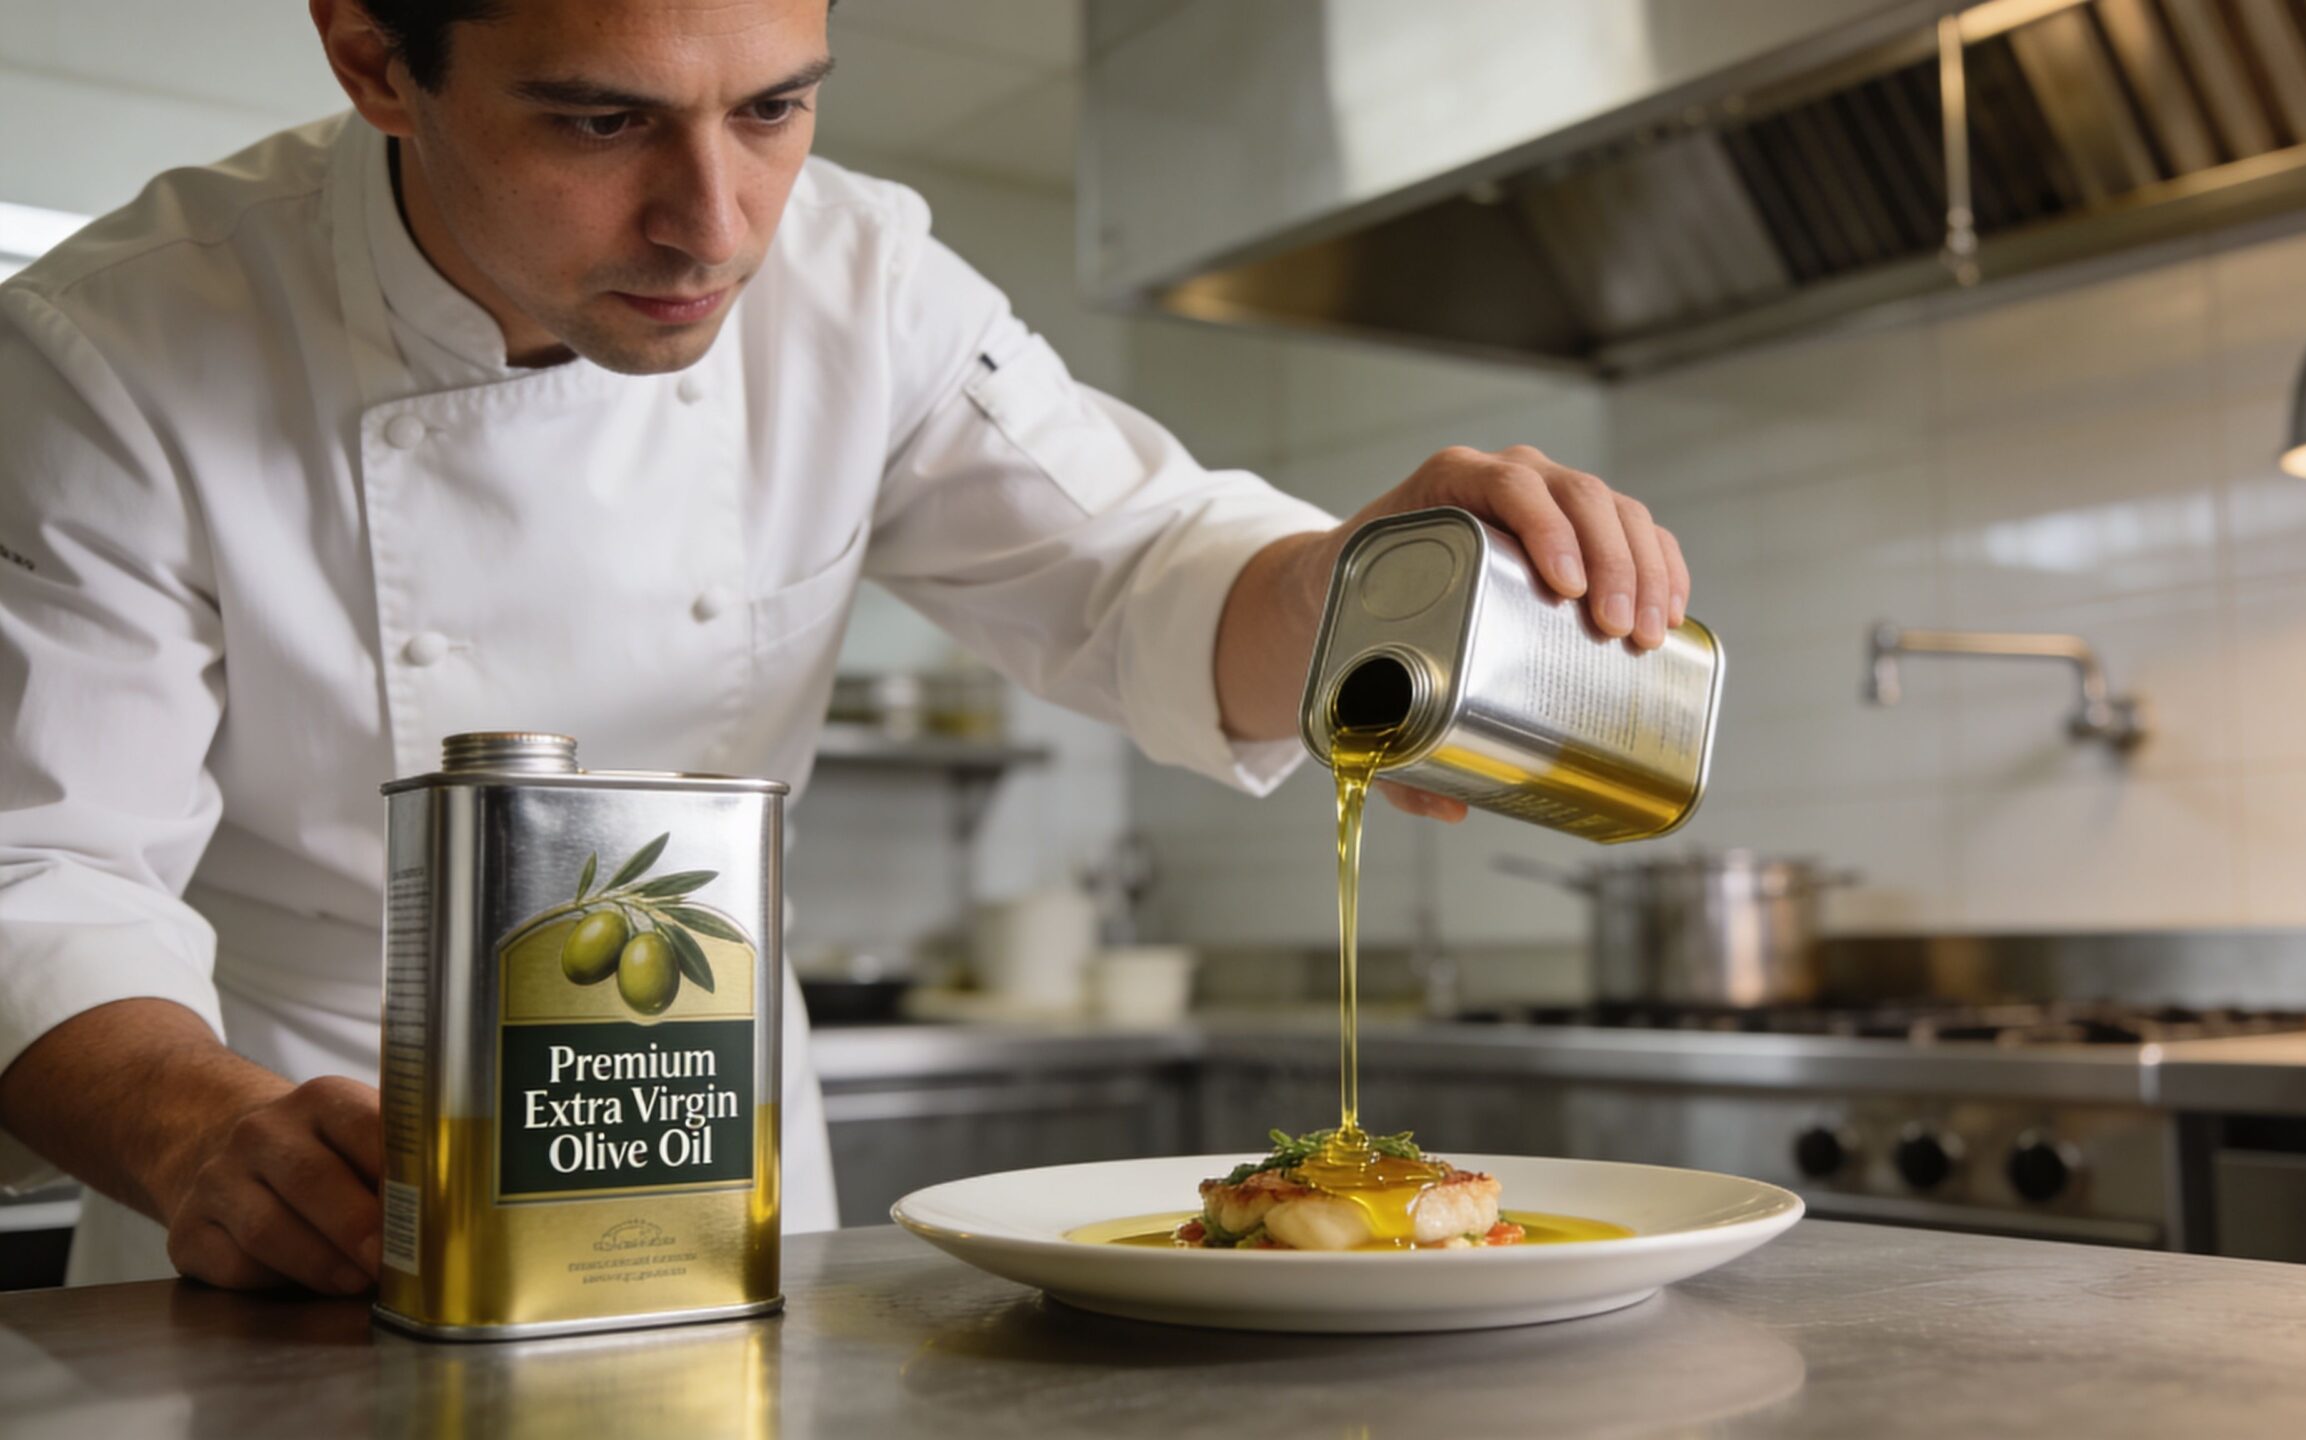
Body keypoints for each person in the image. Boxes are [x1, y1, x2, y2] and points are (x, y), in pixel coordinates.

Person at [0, 0, 1692, 1295]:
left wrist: (1362, 591)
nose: (717, 224)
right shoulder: (117, 344)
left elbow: (1141, 574)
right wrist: (202, 1134)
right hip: (302, 1185)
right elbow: (41, 872)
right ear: (375, 57)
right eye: (602, 120)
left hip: (726, 1159)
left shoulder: (863, 279)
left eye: (775, 108)